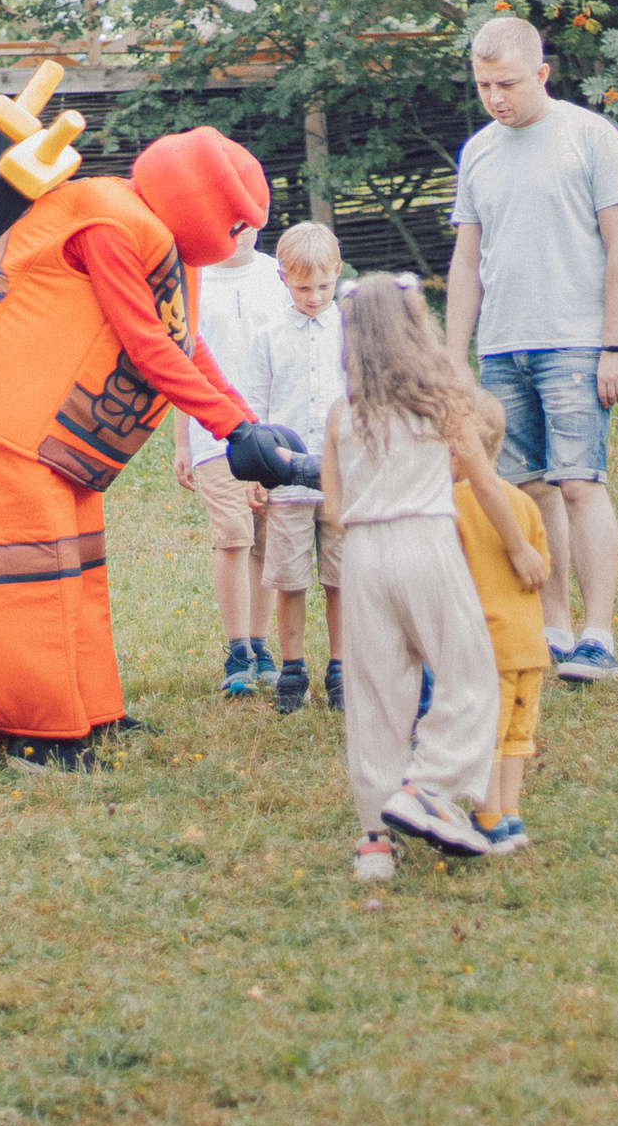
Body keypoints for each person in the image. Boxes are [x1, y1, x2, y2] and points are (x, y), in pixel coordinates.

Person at [0, 128, 309, 772]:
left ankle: (91, 711)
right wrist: (234, 433)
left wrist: (244, 422)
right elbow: (149, 346)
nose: (244, 238)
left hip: (44, 432)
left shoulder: (154, 238)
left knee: (78, 567)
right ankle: (39, 734)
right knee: (27, 576)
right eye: (239, 223)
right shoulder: (110, 224)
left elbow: (180, 344)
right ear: (209, 208)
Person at [443, 15, 618, 685]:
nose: (496, 97)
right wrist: (452, 354)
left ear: (542, 74)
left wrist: (615, 343)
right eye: (483, 85)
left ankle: (599, 633)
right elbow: (467, 258)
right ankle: (553, 623)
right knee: (528, 489)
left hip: (577, 342)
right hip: (503, 346)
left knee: (580, 482)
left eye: (508, 83)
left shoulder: (590, 137)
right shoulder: (478, 152)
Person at [326, 275, 545, 880]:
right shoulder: (442, 399)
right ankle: (430, 786)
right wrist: (519, 546)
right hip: (426, 538)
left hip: (363, 552)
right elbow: (480, 477)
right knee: (471, 672)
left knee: (374, 696)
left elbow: (329, 505)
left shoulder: (343, 414)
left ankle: (374, 841)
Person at [171, 222, 291, 696]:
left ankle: (262, 647)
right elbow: (180, 362)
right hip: (214, 435)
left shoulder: (279, 277)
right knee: (234, 535)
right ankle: (236, 650)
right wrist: (182, 441)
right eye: (229, 226)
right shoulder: (192, 280)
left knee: (265, 539)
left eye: (247, 225)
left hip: (273, 432)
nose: (239, 235)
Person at [244, 221, 347, 713]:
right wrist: (255, 473)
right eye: (303, 287)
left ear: (338, 275)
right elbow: (254, 412)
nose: (313, 296)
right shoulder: (266, 335)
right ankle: (292, 668)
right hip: (285, 480)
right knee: (289, 578)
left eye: (323, 287)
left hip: (342, 482)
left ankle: (341, 667)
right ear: (283, 277)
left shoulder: (351, 331)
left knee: (341, 577)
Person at [456, 393, 552, 855]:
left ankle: (487, 815)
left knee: (486, 736)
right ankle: (511, 814)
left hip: (485, 644)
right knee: (518, 735)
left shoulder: (451, 502)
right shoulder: (523, 503)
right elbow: (542, 569)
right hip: (528, 644)